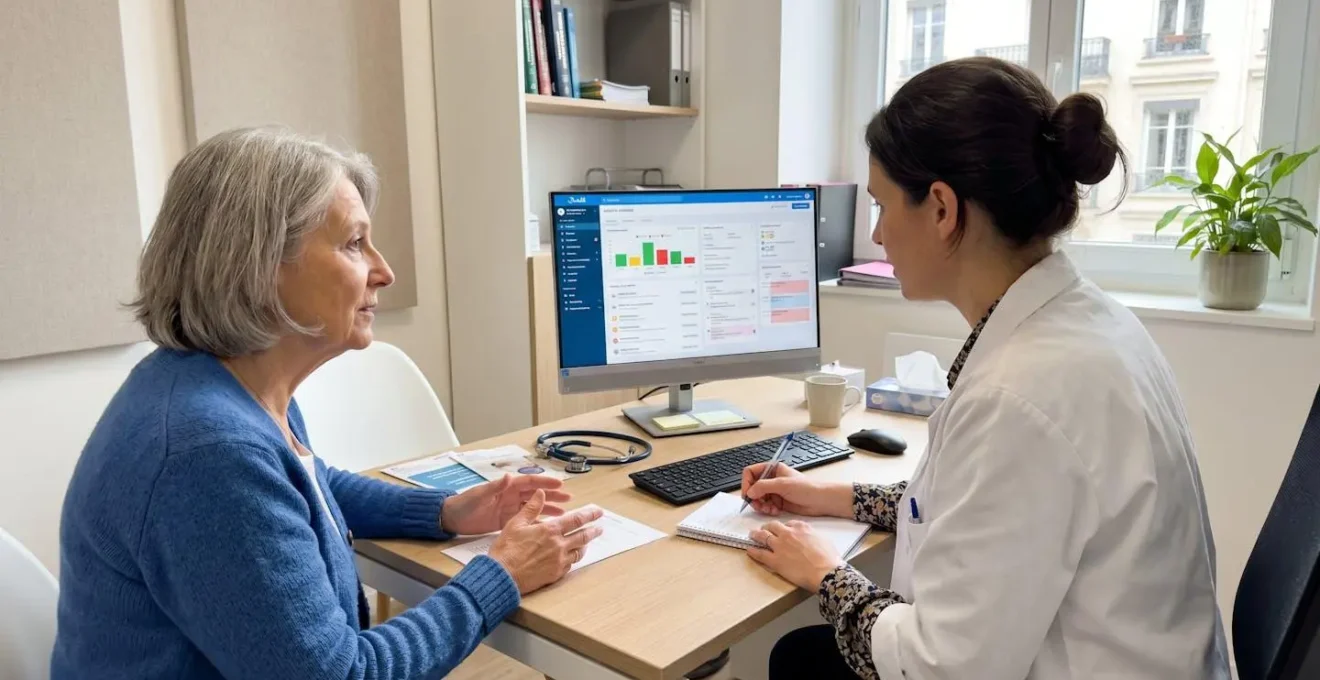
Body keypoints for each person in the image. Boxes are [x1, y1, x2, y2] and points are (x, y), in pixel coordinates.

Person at [50, 127, 604, 680]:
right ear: (258, 262)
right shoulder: (207, 453)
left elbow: (307, 486)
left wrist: (443, 512)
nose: (383, 271)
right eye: (354, 244)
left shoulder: (226, 385)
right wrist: (500, 574)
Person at [741, 57, 1231, 679]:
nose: (878, 234)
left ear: (942, 209)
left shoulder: (1021, 396)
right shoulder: (1085, 323)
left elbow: (938, 668)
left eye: (882, 206)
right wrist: (831, 496)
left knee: (799, 659)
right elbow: (975, 511)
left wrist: (825, 575)